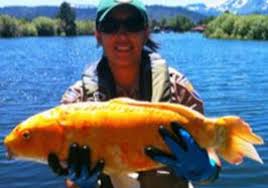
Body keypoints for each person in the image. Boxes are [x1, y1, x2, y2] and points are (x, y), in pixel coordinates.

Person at [48, 0, 221, 187]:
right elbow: (70, 183)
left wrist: (206, 170)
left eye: (133, 24)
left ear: (146, 32)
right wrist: (81, 183)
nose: (122, 35)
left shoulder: (178, 89)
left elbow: (213, 163)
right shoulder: (76, 103)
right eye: (111, 26)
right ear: (98, 35)